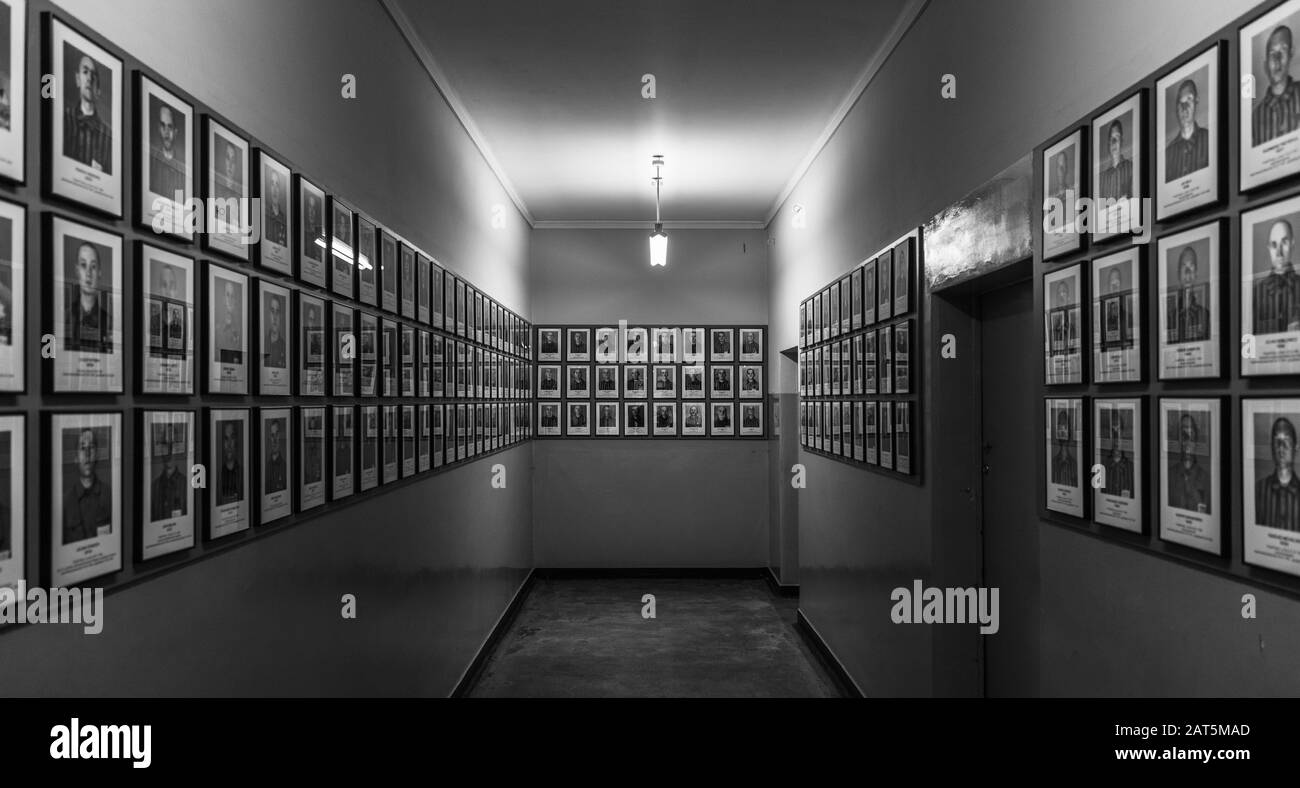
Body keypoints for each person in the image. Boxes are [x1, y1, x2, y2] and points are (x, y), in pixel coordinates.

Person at [1253, 25, 1300, 146]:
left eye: (1282, 50)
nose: (1277, 60)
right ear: (1265, 64)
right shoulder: (1256, 116)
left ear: (1291, 53)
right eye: (1272, 53)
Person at [63, 427, 111, 544]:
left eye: (91, 448)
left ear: (97, 455)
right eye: (83, 448)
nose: (87, 454)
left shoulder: (109, 494)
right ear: (75, 458)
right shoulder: (66, 501)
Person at [64, 53, 111, 172]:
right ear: (78, 79)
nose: (89, 78)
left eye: (93, 75)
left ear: (98, 90)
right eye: (85, 72)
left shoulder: (107, 134)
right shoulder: (65, 119)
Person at [64, 241, 112, 353]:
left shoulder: (109, 322)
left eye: (93, 267)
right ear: (77, 271)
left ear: (99, 272)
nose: (88, 273)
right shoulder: (65, 317)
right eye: (83, 265)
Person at [1255, 219, 1300, 333]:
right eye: (1274, 245)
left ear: (1292, 244)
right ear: (1269, 248)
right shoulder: (1255, 293)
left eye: (1284, 242)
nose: (1279, 252)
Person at [1256, 416, 1300, 531]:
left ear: (1296, 447)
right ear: (1271, 447)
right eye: (1277, 441)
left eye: (1286, 441)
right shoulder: (1259, 490)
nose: (1281, 448)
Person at [1167, 79, 1210, 180]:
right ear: (1176, 109)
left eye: (1189, 99)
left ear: (1196, 100)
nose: (1184, 107)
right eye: (1180, 102)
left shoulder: (1210, 139)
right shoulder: (1167, 154)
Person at [1168, 413, 1210, 513]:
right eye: (1183, 436)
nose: (1187, 444)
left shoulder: (1205, 478)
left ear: (1196, 441)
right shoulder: (1169, 476)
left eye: (1191, 437)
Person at [150, 423, 186, 520]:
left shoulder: (186, 485)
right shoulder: (154, 487)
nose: (169, 450)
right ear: (161, 449)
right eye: (166, 444)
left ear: (178, 448)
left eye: (173, 444)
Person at [149, 103, 185, 198]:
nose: (166, 131)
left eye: (170, 126)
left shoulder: (182, 168)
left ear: (175, 131)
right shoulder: (151, 161)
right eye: (163, 125)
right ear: (158, 128)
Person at [1173, 246, 1209, 342]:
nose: (1187, 272)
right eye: (1184, 266)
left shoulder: (1204, 315)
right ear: (1178, 274)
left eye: (1191, 266)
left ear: (1196, 273)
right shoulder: (1171, 316)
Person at [1099, 119, 1132, 201]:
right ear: (1108, 143)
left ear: (1122, 141)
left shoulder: (1131, 168)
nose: (1114, 142)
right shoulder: (1101, 178)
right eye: (1111, 138)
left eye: (1117, 137)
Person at [1102, 417, 1134, 498]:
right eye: (1113, 429)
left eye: (1118, 428)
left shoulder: (1132, 468)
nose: (1116, 436)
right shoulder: (1101, 467)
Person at [217, 420, 242, 505]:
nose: (229, 444)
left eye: (232, 438)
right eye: (226, 439)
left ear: (236, 441)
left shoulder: (242, 471)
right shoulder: (218, 473)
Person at [1050, 409, 1077, 486]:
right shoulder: (1052, 464)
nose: (1062, 430)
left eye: (1065, 426)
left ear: (1069, 431)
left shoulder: (1075, 465)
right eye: (1060, 425)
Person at [218, 281, 242, 364]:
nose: (230, 299)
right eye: (227, 295)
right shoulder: (217, 326)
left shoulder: (239, 326)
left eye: (233, 296)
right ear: (223, 298)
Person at [265, 169, 287, 247]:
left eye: (277, 184)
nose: (274, 189)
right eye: (272, 184)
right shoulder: (264, 217)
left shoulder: (285, 221)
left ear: (280, 189)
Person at [265, 419, 286, 494]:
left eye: (276, 434)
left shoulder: (286, 467)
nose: (274, 440)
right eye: (272, 435)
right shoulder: (265, 467)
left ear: (280, 436)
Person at [264, 296, 286, 368]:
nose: (275, 317)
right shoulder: (262, 344)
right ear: (268, 315)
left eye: (277, 312)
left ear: (281, 316)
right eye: (272, 311)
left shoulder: (285, 347)